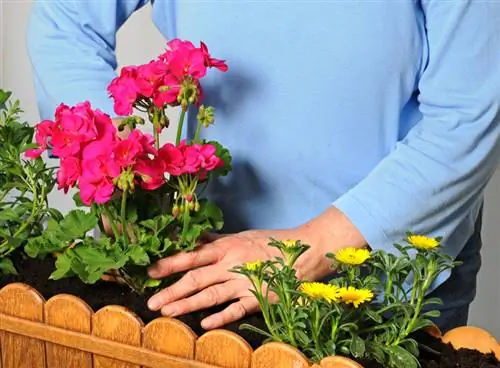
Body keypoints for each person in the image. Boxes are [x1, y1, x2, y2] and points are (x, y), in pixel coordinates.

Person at [26, 1, 500, 332]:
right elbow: (65, 20)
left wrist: (313, 247)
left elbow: (468, 114)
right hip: (201, 262)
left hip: (376, 276)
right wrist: (106, 162)